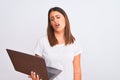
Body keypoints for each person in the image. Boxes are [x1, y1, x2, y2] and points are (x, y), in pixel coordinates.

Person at [29, 7, 83, 80]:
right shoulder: (42, 41)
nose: (55, 21)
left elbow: (77, 71)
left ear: (65, 18)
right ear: (50, 23)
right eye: (52, 19)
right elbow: (38, 71)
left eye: (58, 17)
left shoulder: (74, 42)